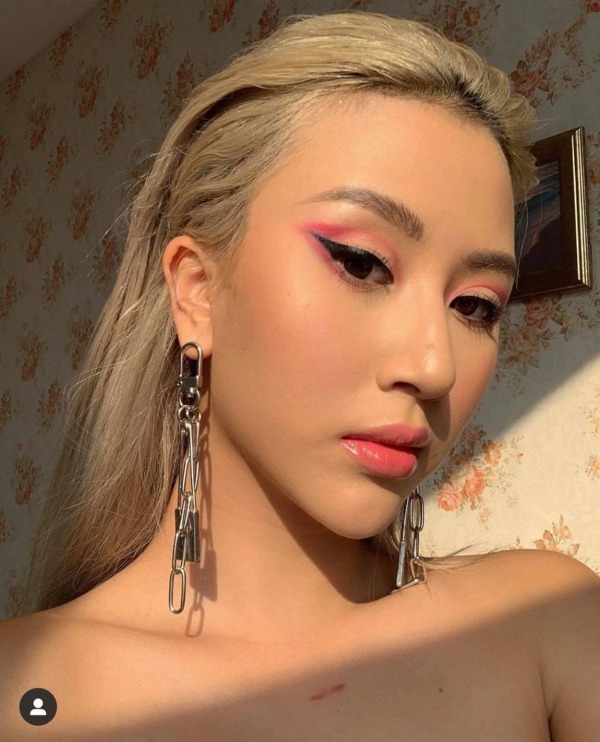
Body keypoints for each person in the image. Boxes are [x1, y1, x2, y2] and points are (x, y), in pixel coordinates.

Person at [1, 11, 598, 741]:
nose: (433, 366)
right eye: (362, 263)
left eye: (475, 306)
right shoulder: (26, 689)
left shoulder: (547, 627)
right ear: (196, 289)